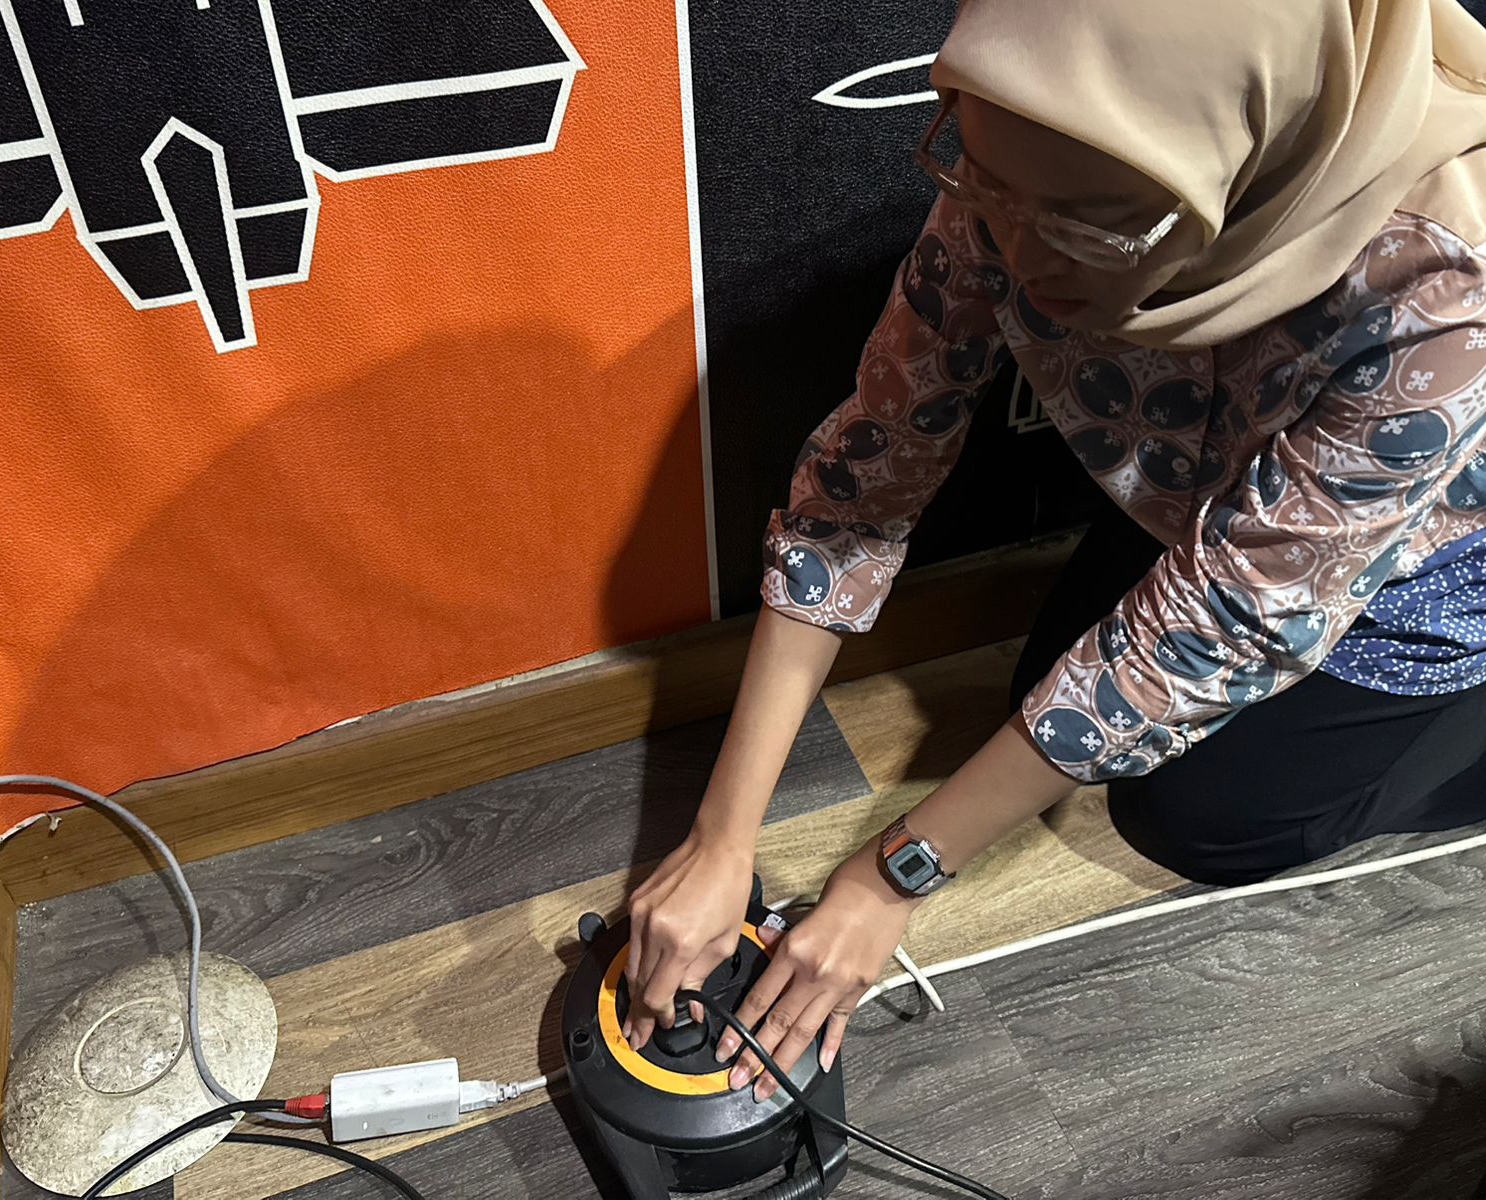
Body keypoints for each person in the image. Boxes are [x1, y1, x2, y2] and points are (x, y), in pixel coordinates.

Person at [626, 0, 1486, 1102]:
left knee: (1198, 821)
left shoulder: (1447, 283)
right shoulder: (1018, 158)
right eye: (987, 188)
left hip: (1424, 570)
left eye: (1091, 224)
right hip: (1208, 504)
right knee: (1050, 707)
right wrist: (719, 838)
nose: (1018, 259)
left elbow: (1236, 618)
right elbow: (869, 472)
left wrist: (888, 880)